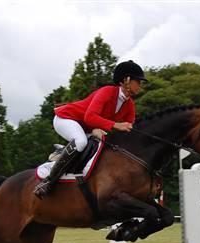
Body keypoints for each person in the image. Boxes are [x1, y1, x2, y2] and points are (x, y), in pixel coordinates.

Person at [34, 60, 146, 198]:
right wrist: (115, 125)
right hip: (67, 119)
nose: (140, 85)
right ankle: (48, 182)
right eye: (138, 81)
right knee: (81, 142)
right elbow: (90, 117)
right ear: (126, 80)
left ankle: (64, 152)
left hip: (85, 127)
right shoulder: (106, 92)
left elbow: (130, 130)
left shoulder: (129, 105)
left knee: (104, 147)